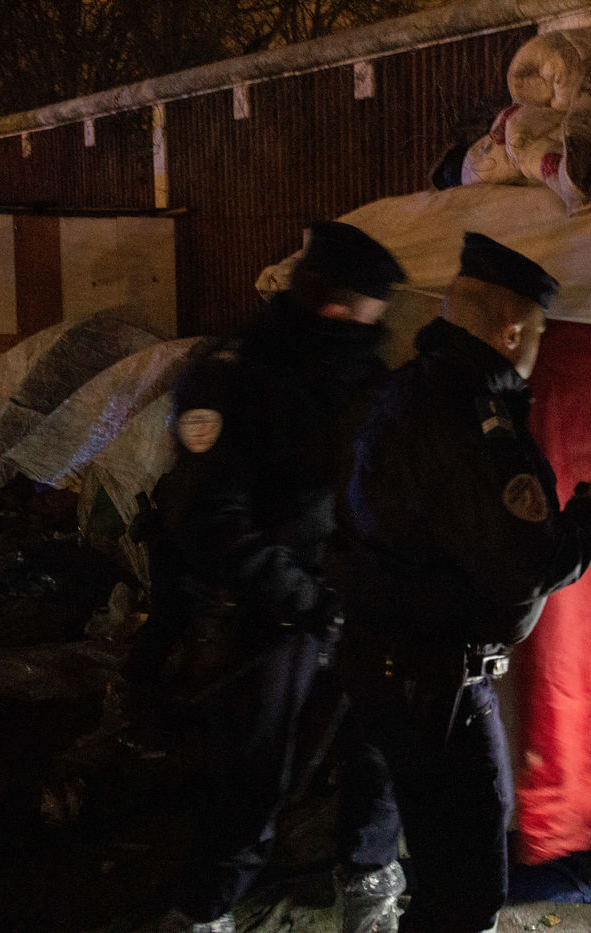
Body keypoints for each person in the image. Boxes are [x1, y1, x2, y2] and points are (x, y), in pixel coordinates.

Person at [340, 231, 591, 933]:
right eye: (540, 334)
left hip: (393, 665)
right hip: (435, 683)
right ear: (512, 330)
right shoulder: (471, 415)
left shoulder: (409, 386)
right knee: (463, 889)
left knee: (446, 867)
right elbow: (521, 565)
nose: (538, 349)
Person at [143, 221, 409, 933]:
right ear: (335, 307)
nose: (374, 332)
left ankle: (369, 876)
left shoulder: (360, 374)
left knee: (378, 745)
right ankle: (206, 908)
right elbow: (209, 518)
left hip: (351, 598)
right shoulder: (232, 376)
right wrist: (301, 597)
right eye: (367, 315)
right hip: (263, 613)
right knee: (254, 774)